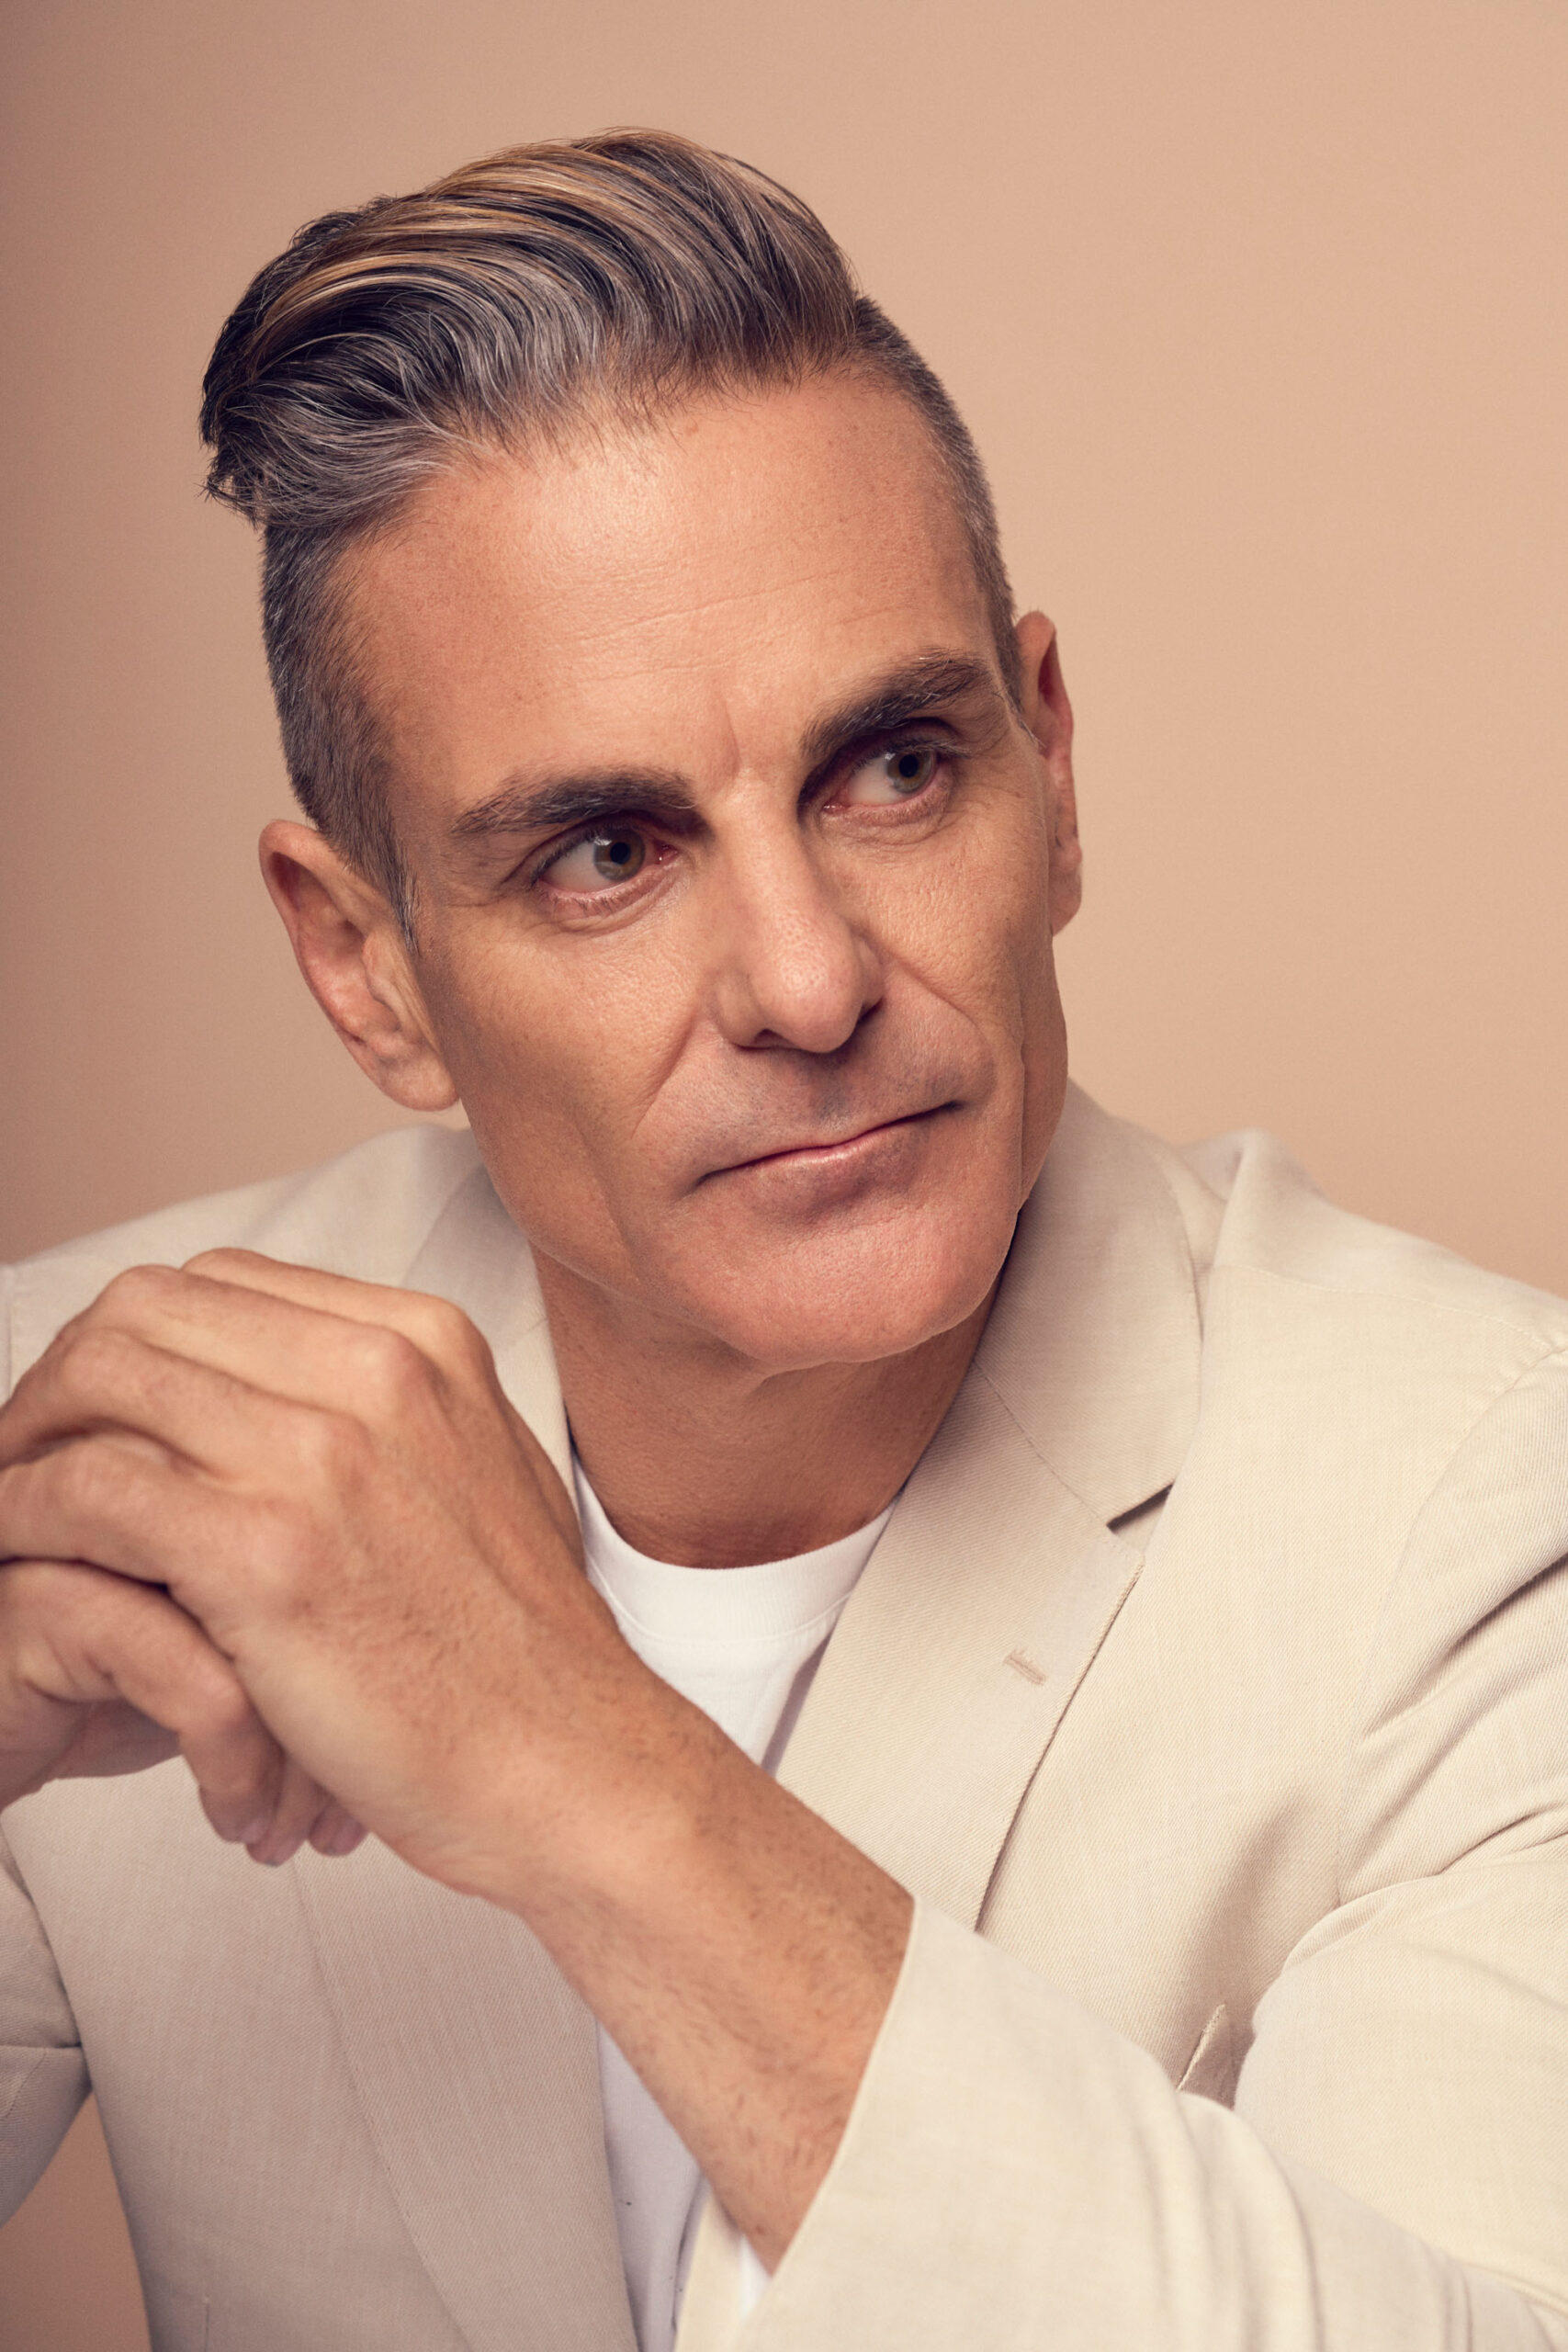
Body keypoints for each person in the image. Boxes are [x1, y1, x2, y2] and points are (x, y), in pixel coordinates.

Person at [1, 128, 1564, 2352]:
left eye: (891, 768)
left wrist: (583, 1766)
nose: (811, 980)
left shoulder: (1473, 1495)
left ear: (1047, 766)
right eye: (608, 850)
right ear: (362, 965)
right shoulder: (90, 1438)